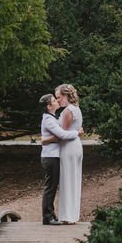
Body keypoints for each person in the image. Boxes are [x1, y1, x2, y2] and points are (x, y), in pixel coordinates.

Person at [39, 93, 79, 225]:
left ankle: (51, 214)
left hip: (53, 156)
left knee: (52, 186)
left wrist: (45, 140)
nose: (57, 101)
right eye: (53, 100)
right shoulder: (49, 120)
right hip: (50, 157)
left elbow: (57, 135)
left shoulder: (52, 117)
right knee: (50, 187)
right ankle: (47, 217)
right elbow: (61, 134)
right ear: (49, 106)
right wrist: (77, 132)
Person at [54, 83, 83, 224]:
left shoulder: (67, 111)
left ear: (65, 96)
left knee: (67, 180)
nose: (57, 100)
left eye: (58, 97)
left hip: (69, 147)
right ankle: (72, 215)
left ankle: (67, 216)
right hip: (76, 145)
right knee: (74, 179)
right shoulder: (77, 109)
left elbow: (62, 133)